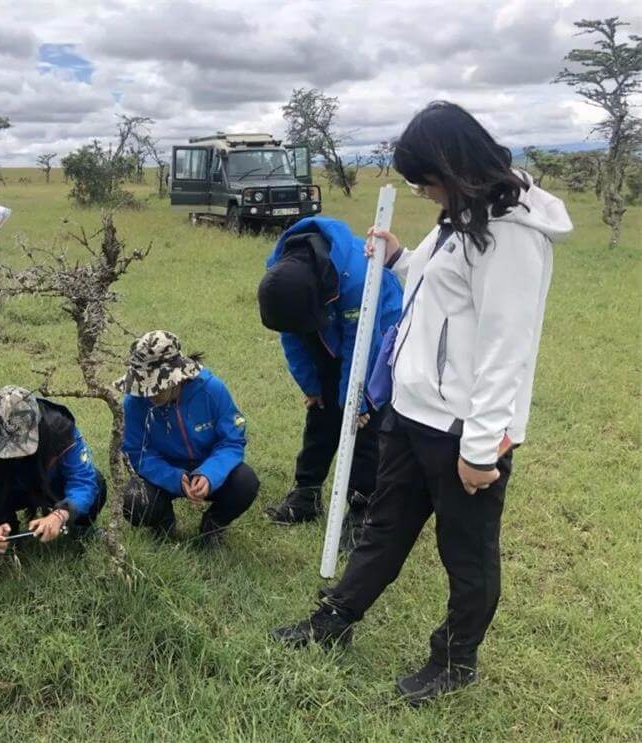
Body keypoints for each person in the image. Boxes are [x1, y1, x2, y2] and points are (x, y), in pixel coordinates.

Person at [271, 101, 573, 704]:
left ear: (452, 167)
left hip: (463, 429)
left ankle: (454, 663)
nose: (422, 191)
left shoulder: (513, 237)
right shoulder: (459, 216)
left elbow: (504, 349)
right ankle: (334, 621)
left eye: (424, 179)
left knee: (466, 554)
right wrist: (401, 258)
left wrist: (481, 447)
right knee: (384, 526)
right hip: (410, 412)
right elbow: (438, 296)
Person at [258, 215, 403, 546]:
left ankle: (362, 509)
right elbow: (292, 337)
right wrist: (311, 385)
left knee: (364, 423)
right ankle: (306, 495)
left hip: (376, 334)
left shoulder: (359, 278)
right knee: (322, 412)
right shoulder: (281, 276)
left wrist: (360, 397)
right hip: (324, 326)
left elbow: (362, 346)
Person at [119, 330, 259, 547]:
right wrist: (173, 478)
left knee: (245, 482)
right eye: (143, 387)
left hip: (208, 461)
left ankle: (213, 525)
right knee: (134, 498)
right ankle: (164, 524)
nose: (148, 394)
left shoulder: (211, 389)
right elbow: (136, 453)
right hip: (164, 467)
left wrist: (210, 474)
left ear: (176, 378)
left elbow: (232, 440)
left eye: (156, 388)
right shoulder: (133, 403)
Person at [0, 386, 107, 553]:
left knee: (96, 481)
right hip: (4, 489)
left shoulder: (61, 430)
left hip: (50, 484)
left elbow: (83, 481)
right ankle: (3, 534)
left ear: (38, 425)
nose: (17, 456)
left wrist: (60, 515)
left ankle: (81, 529)